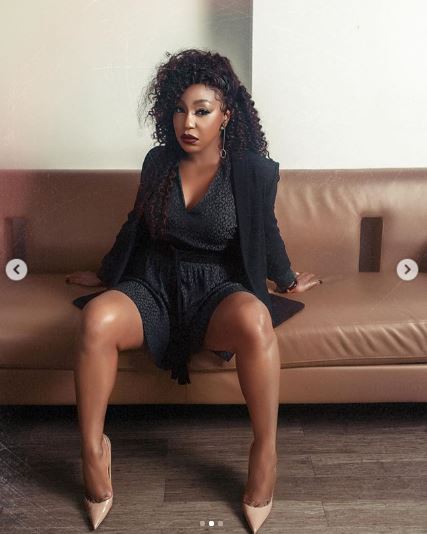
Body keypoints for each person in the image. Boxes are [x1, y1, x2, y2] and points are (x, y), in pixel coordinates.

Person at [66, 48, 322, 532]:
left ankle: (265, 452)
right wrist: (104, 274)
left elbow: (265, 231)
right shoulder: (158, 162)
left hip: (216, 289)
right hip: (154, 284)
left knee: (255, 319)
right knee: (96, 318)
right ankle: (93, 451)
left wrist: (287, 279)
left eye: (202, 111)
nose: (188, 122)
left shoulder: (251, 170)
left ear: (225, 114)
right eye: (180, 110)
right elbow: (135, 223)